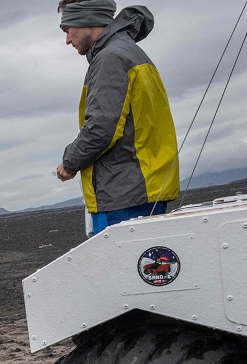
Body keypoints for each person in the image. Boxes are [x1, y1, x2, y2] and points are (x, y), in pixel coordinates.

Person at [55, 0, 179, 235]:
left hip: (123, 194)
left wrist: (69, 162)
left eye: (67, 29)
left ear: (86, 21)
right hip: (141, 187)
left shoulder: (109, 58)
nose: (67, 40)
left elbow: (102, 128)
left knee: (123, 268)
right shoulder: (130, 52)